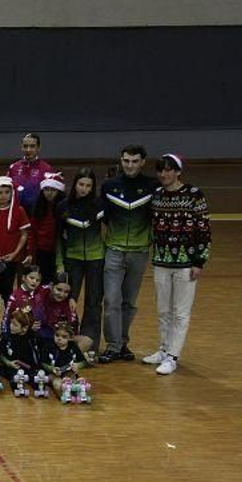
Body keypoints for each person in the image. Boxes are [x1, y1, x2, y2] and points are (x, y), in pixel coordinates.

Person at [145, 153, 212, 376]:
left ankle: (173, 356)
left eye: (168, 170)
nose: (163, 174)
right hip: (161, 261)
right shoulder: (156, 196)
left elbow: (204, 228)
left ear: (178, 172)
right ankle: (163, 349)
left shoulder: (194, 195)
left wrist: (199, 261)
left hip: (186, 263)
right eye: (160, 170)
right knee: (163, 310)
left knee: (180, 313)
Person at [98, 145, 157, 363]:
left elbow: (156, 217)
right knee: (112, 299)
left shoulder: (152, 186)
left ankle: (123, 343)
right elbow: (104, 215)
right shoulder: (109, 186)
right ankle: (112, 346)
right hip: (114, 251)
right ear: (120, 161)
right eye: (126, 161)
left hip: (139, 253)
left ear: (142, 162)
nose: (129, 165)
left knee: (129, 301)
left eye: (134, 161)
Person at [57, 168, 106, 349]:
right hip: (72, 259)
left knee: (93, 302)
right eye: (81, 184)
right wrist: (59, 263)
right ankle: (65, 341)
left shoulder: (100, 205)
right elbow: (58, 238)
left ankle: (90, 345)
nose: (83, 189)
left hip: (96, 258)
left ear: (92, 187)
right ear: (74, 184)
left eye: (88, 185)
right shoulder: (63, 207)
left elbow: (110, 227)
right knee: (68, 301)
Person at [0, 176, 30, 328]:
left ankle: (9, 324)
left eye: (6, 192)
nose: (3, 196)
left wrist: (15, 253)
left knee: (8, 292)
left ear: (12, 193)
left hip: (11, 260)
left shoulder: (19, 211)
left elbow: (24, 234)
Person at [9, 133, 56, 210]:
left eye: (32, 146)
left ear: (38, 147)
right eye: (25, 146)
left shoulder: (47, 169)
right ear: (21, 147)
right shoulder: (13, 167)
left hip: (38, 213)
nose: (28, 150)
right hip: (16, 211)